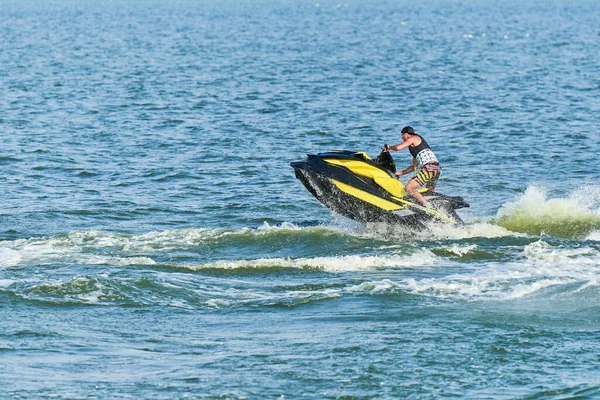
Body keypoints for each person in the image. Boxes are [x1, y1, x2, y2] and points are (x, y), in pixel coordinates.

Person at [385, 126, 441, 208]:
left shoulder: (413, 138)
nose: (402, 138)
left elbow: (398, 148)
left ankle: (427, 207)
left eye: (402, 135)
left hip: (429, 168)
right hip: (436, 168)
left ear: (406, 134)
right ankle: (436, 207)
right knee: (429, 191)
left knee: (409, 188)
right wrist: (400, 173)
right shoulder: (416, 148)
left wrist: (389, 147)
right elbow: (414, 167)